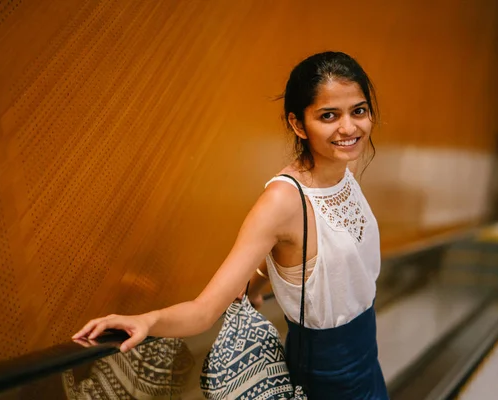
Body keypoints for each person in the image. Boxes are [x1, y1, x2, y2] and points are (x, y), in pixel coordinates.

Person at [73, 51, 389, 399]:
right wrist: (147, 322)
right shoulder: (282, 202)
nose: (348, 128)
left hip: (366, 355)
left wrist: (256, 281)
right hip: (325, 375)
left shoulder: (345, 170)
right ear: (298, 125)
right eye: (328, 116)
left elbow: (314, 257)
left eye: (358, 110)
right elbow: (204, 311)